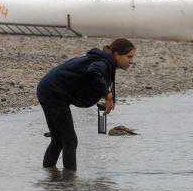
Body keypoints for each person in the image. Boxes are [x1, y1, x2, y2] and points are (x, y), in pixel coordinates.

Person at [36, 38, 136, 171]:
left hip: (49, 89)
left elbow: (92, 79)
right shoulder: (102, 63)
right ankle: (69, 179)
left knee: (58, 139)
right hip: (53, 93)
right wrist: (107, 94)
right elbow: (93, 72)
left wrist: (104, 94)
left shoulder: (104, 61)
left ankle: (50, 175)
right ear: (117, 54)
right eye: (129, 56)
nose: (131, 61)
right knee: (70, 140)